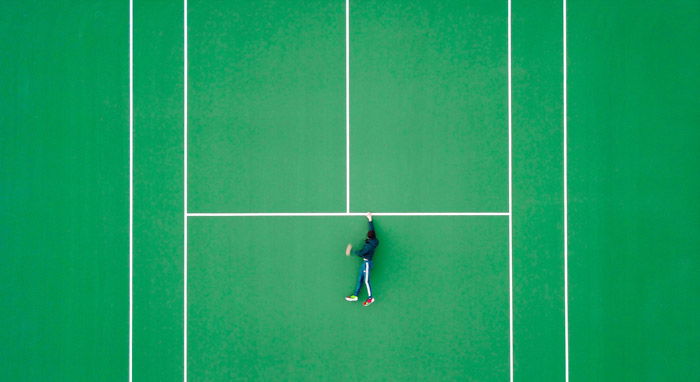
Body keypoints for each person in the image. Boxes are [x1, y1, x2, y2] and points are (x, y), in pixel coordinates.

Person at [345, 212, 379, 306]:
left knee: (366, 281)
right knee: (360, 279)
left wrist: (351, 252)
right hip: (365, 264)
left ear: (369, 237)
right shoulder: (374, 240)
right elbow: (372, 229)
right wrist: (370, 219)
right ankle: (355, 296)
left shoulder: (368, 247)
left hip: (367, 264)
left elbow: (361, 253)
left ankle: (371, 298)